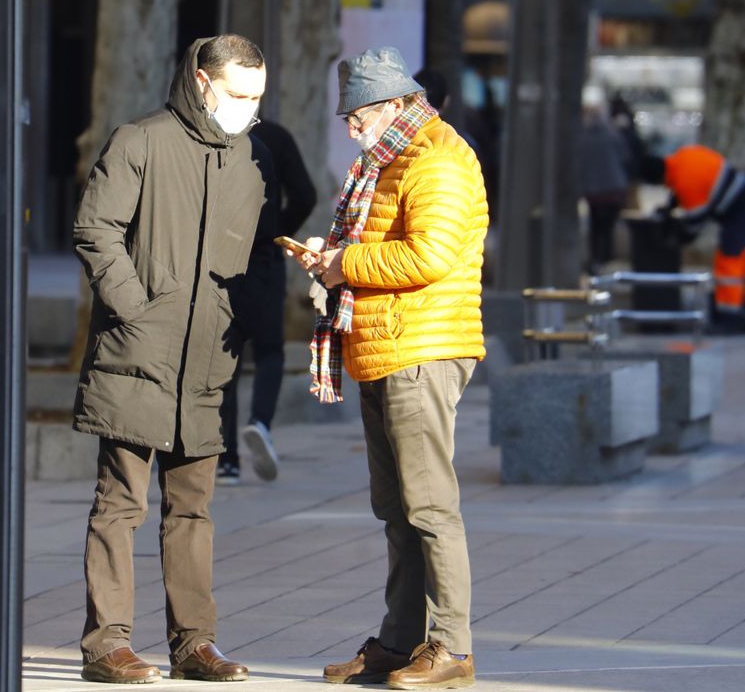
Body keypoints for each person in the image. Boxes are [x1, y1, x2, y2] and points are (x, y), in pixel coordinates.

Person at [285, 46, 488, 690]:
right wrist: (334, 254)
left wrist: (343, 265)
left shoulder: (437, 160)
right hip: (385, 345)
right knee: (397, 508)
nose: (351, 127)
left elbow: (426, 257)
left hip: (422, 350)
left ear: (397, 104)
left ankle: (450, 648)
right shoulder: (391, 159)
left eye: (359, 114)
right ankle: (401, 644)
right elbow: (385, 246)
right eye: (347, 116)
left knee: (429, 506)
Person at [72, 35, 268, 683]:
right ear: (204, 83)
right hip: (137, 355)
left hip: (207, 362)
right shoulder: (140, 140)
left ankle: (195, 643)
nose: (249, 109)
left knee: (192, 510)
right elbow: (95, 229)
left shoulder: (247, 157)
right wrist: (136, 307)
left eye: (258, 98)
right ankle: (107, 644)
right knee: (120, 503)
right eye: (239, 95)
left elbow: (247, 255)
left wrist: (248, 319)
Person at [218, 118, 317, 484]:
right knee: (270, 349)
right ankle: (260, 421)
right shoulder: (275, 136)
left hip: (222, 259)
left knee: (226, 355)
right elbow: (305, 194)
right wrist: (277, 231)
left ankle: (226, 458)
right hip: (265, 260)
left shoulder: (212, 134)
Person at [639, 144, 745, 333]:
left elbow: (695, 223)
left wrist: (677, 239)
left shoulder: (685, 183)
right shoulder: (682, 156)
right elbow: (686, 187)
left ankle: (729, 316)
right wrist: (671, 206)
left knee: (728, 261)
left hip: (737, 211)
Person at [577, 104, 630, 273]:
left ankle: (596, 259)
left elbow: (579, 165)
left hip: (593, 191)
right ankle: (607, 260)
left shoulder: (583, 138)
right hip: (613, 188)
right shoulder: (612, 135)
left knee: (596, 226)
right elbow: (625, 156)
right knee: (608, 227)